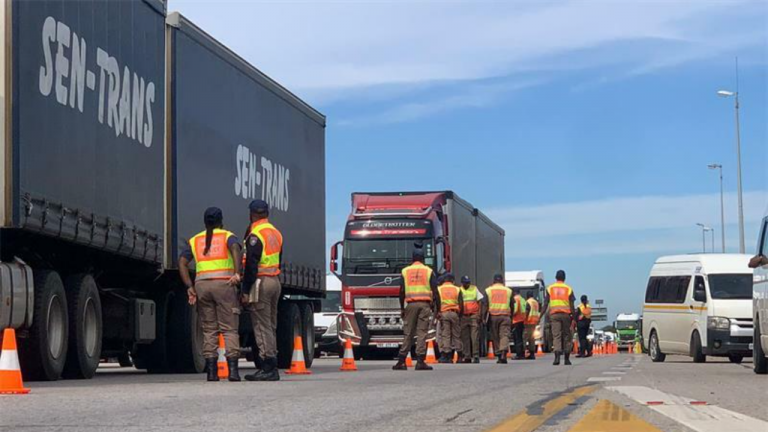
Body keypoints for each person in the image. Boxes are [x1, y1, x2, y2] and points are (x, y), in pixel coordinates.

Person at [179, 207, 242, 382]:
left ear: (205, 221)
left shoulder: (195, 240)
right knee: (229, 328)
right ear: (221, 220)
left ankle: (212, 372)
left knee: (209, 329)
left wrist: (189, 286)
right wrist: (237, 273)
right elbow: (236, 249)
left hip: (201, 286)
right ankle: (233, 372)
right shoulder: (227, 236)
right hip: (224, 284)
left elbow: (182, 262)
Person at [241, 199, 283, 382]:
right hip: (274, 280)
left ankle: (268, 366)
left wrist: (245, 289)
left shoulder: (255, 235)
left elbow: (251, 265)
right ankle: (272, 363)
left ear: (251, 214)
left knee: (261, 324)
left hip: (261, 282)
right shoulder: (275, 232)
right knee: (271, 325)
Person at [393, 248, 440, 371]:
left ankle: (401, 361)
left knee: (408, 332)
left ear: (413, 258)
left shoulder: (405, 271)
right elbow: (435, 291)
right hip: (424, 305)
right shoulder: (429, 271)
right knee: (421, 333)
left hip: (410, 305)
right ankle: (420, 361)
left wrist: (402, 308)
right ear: (423, 259)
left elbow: (401, 291)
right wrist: (438, 308)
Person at [543, 270, 576, 366]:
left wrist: (541, 315)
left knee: (556, 336)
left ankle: (557, 358)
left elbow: (545, 304)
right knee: (567, 336)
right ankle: (567, 359)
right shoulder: (568, 289)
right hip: (566, 315)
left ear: (555, 277)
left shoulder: (550, 288)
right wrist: (574, 318)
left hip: (554, 315)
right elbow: (572, 305)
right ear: (564, 278)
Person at [485, 274, 513, 364]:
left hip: (493, 316)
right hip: (505, 316)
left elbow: (485, 305)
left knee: (495, 336)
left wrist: (483, 317)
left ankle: (499, 354)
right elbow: (512, 304)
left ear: (493, 281)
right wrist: (511, 316)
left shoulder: (488, 290)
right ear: (502, 281)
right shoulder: (508, 291)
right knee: (504, 335)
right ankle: (504, 353)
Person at [437, 273, 463, 363]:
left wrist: (437, 313)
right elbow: (461, 303)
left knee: (446, 335)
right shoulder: (457, 289)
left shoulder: (439, 289)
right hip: (454, 313)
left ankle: (447, 356)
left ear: (444, 280)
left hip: (444, 313)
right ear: (452, 280)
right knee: (456, 335)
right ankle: (459, 356)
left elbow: (436, 302)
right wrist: (459, 315)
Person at [459, 276, 484, 364]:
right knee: (464, 337)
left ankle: (476, 355)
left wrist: (480, 314)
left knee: (474, 336)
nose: (467, 284)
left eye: (468, 282)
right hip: (463, 316)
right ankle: (467, 356)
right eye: (465, 282)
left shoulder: (474, 289)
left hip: (473, 315)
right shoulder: (459, 290)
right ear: (462, 283)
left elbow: (480, 301)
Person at [511, 288, 528, 360]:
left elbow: (515, 310)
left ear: (514, 293)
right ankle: (522, 354)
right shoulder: (523, 299)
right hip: (522, 320)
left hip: (516, 320)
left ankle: (518, 354)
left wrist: (511, 314)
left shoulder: (516, 299)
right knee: (520, 338)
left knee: (517, 338)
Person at [523, 292, 540, 360]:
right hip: (534, 322)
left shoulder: (528, 302)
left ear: (527, 296)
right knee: (531, 339)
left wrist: (524, 320)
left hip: (528, 322)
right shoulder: (536, 302)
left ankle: (523, 353)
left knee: (524, 338)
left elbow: (527, 311)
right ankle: (532, 354)